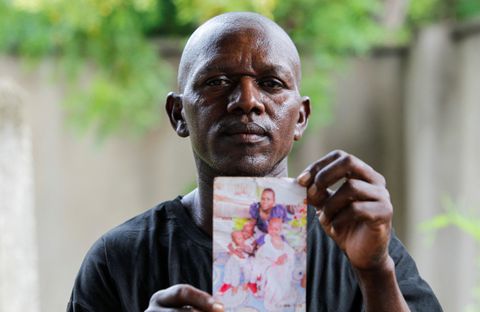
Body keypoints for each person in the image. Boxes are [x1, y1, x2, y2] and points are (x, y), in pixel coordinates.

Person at [67, 12, 443, 312]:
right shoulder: (119, 258)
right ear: (178, 114)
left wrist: (376, 273)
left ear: (300, 118)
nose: (247, 100)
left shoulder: (362, 245)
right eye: (216, 81)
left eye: (271, 83)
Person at [252, 218, 296, 310]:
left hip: (282, 266)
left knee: (285, 279)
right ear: (268, 228)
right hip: (270, 266)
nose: (273, 231)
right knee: (272, 280)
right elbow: (260, 254)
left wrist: (285, 257)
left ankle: (281, 297)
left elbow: (289, 252)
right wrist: (271, 262)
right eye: (271, 228)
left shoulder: (282, 240)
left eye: (276, 229)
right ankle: (272, 298)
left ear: (280, 230)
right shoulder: (265, 240)